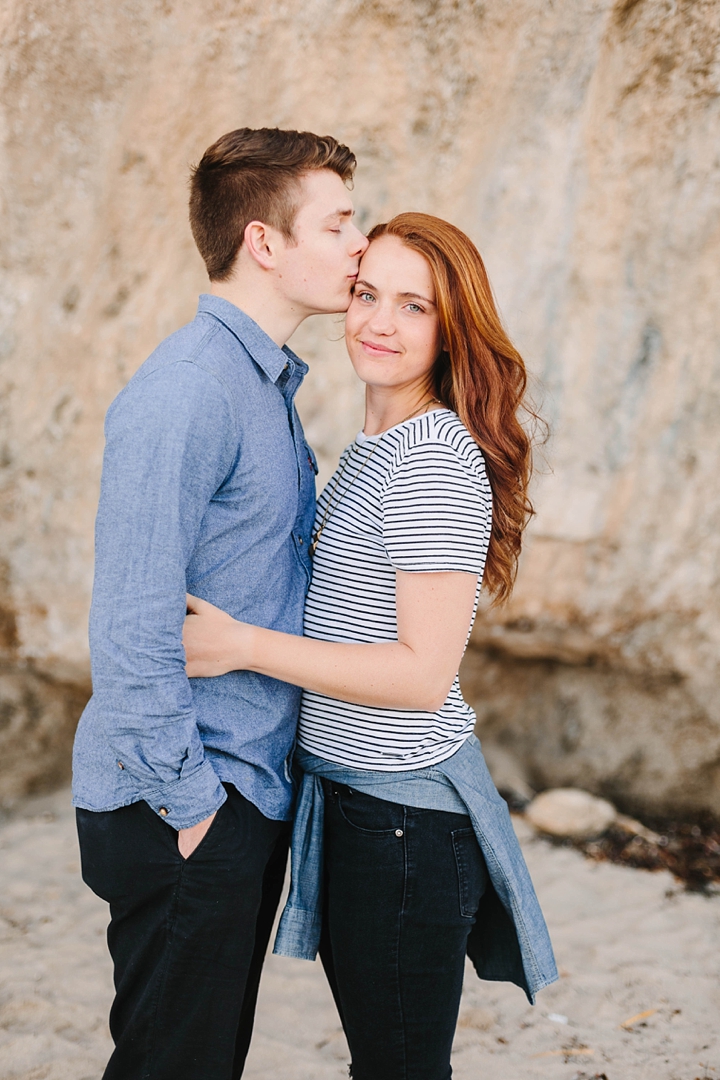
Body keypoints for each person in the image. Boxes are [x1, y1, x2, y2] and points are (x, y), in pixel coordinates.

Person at [182, 212, 558, 1080]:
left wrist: (244, 645)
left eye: (414, 307)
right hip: (362, 806)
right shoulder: (375, 448)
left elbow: (423, 675)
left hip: (405, 822)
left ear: (451, 327)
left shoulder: (430, 459)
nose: (379, 323)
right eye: (366, 294)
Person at [71, 127, 368, 1080]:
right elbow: (129, 627)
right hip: (186, 801)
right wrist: (198, 812)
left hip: (234, 790)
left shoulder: (260, 385)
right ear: (265, 243)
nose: (359, 244)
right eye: (339, 223)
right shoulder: (189, 392)